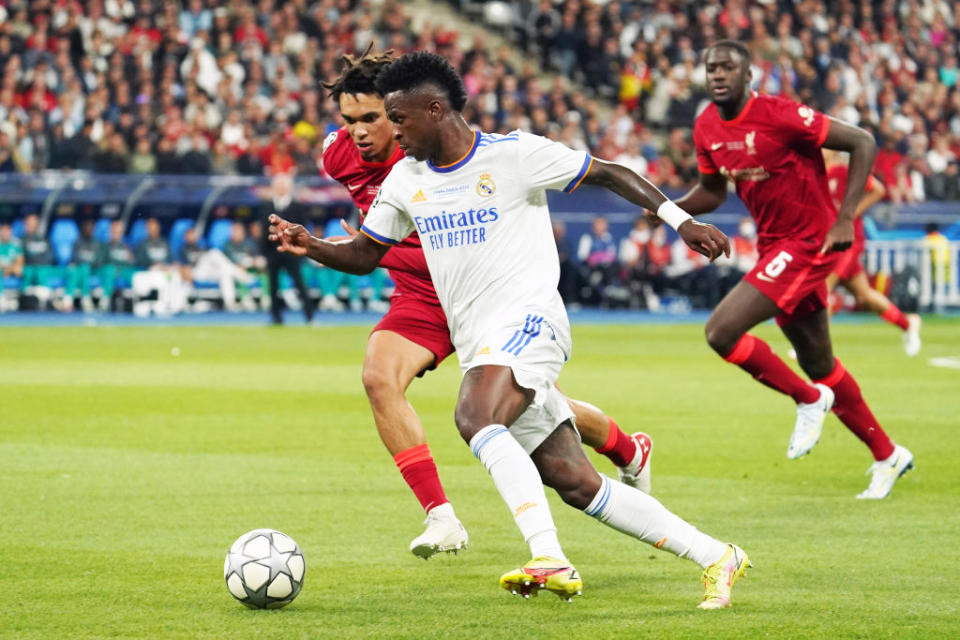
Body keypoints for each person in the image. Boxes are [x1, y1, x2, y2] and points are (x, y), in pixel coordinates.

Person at [272, 51, 748, 609]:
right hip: (479, 340)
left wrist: (682, 222)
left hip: (531, 320)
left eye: (398, 120)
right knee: (574, 481)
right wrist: (313, 247)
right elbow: (363, 253)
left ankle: (549, 558)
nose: (392, 133)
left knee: (473, 415)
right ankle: (717, 554)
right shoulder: (405, 180)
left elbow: (610, 173)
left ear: (435, 110)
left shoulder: (514, 155)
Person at [319, 47, 658, 561]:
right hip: (421, 296)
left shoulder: (429, 147)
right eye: (349, 122)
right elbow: (372, 239)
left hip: (486, 295)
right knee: (377, 377)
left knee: (543, 411)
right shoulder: (338, 156)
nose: (360, 132)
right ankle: (441, 516)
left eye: (372, 118)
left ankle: (628, 448)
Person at [678, 40, 913, 500]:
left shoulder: (781, 115)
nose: (718, 75)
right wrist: (670, 209)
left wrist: (846, 215)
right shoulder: (706, 125)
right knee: (818, 361)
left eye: (728, 67)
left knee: (721, 331)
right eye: (711, 68)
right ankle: (887, 455)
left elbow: (862, 142)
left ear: (749, 76)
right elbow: (712, 191)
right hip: (775, 247)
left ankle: (808, 399)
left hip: (810, 241)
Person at [823, 149, 922, 355]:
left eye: (823, 147)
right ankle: (908, 323)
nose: (819, 150)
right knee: (864, 296)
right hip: (828, 241)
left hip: (848, 240)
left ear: (832, 150)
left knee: (822, 288)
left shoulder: (844, 171)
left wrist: (848, 214)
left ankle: (816, 348)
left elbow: (877, 189)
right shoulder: (815, 173)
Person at [257, 172, 314, 325]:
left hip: (292, 251)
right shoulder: (266, 206)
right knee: (273, 285)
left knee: (299, 284)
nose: (281, 187)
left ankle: (309, 316)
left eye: (284, 185)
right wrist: (262, 253)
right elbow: (262, 231)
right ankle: (275, 317)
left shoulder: (298, 206)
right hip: (272, 252)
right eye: (279, 184)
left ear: (290, 187)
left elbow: (302, 230)